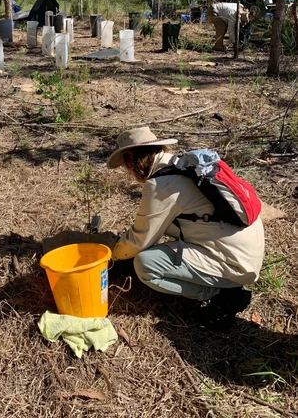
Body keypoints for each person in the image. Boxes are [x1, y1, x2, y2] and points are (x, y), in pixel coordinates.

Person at [107, 126, 264, 330]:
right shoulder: (184, 166)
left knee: (146, 265)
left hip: (237, 262)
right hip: (246, 249)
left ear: (130, 159)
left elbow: (140, 239)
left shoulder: (161, 184)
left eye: (125, 165)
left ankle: (223, 295)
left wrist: (113, 255)